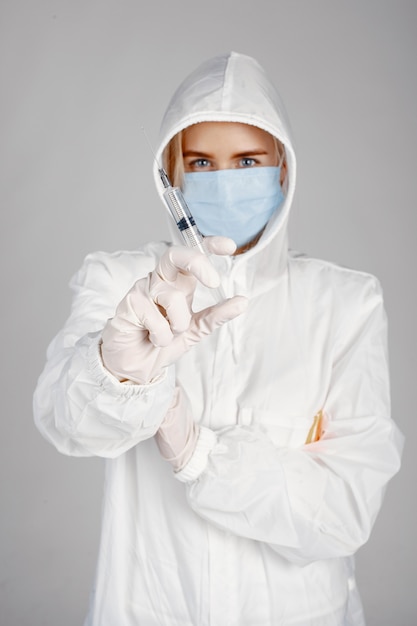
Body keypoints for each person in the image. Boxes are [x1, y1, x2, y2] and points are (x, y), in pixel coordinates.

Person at [33, 52, 403, 626]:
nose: (225, 181)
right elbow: (66, 424)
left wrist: (197, 453)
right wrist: (120, 371)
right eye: (201, 163)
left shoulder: (345, 305)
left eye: (247, 160)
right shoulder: (121, 282)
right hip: (149, 609)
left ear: (283, 169)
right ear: (171, 178)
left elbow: (343, 512)